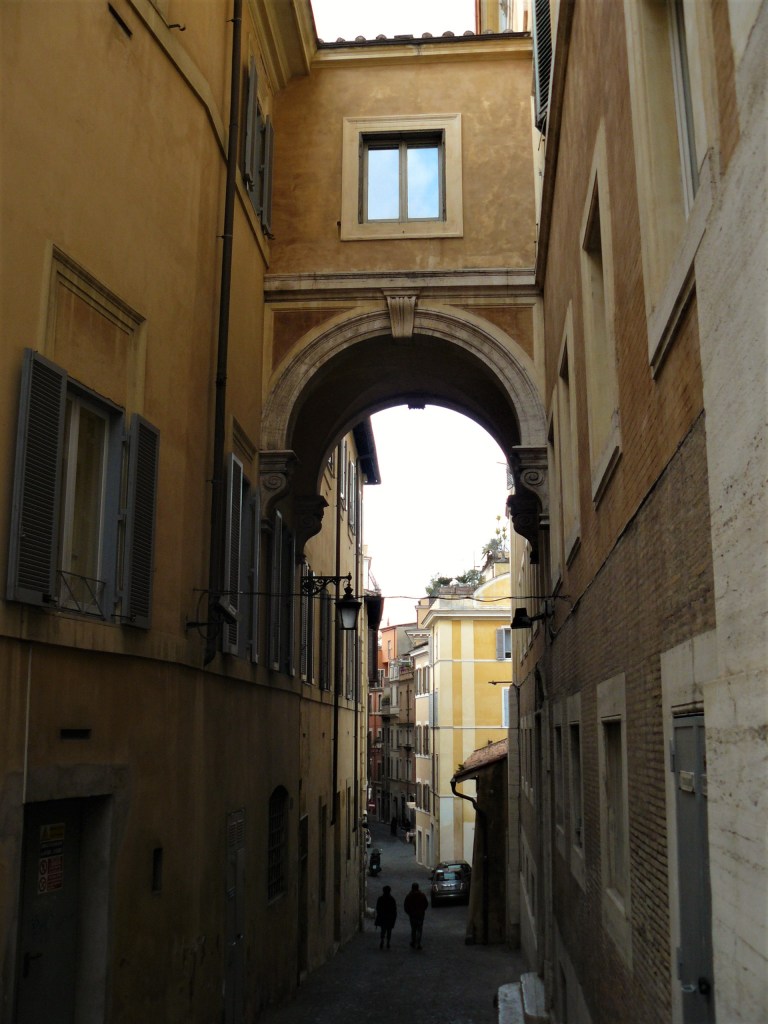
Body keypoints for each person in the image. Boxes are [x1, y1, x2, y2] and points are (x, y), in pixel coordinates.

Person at [403, 881, 429, 950]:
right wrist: (422, 910)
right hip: (420, 915)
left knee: (413, 929)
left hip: (413, 915)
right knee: (419, 930)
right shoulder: (422, 895)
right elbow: (426, 904)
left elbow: (406, 905)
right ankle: (418, 943)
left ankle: (413, 941)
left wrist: (409, 913)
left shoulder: (409, 896)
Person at [374, 884, 397, 950]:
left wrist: (380, 915)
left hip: (383, 917)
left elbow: (378, 908)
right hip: (389, 918)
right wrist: (394, 917)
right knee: (389, 930)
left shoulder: (380, 899)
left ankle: (382, 940)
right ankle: (388, 943)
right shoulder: (392, 899)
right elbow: (394, 909)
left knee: (383, 930)